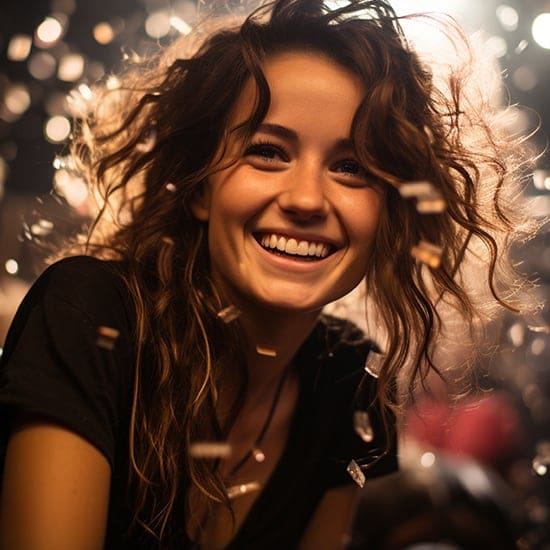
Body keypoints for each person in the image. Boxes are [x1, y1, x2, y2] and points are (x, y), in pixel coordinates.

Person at [0, 0, 536, 548]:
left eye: (351, 167)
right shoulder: (89, 316)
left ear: (391, 213)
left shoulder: (352, 383)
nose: (306, 199)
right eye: (268, 152)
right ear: (201, 185)